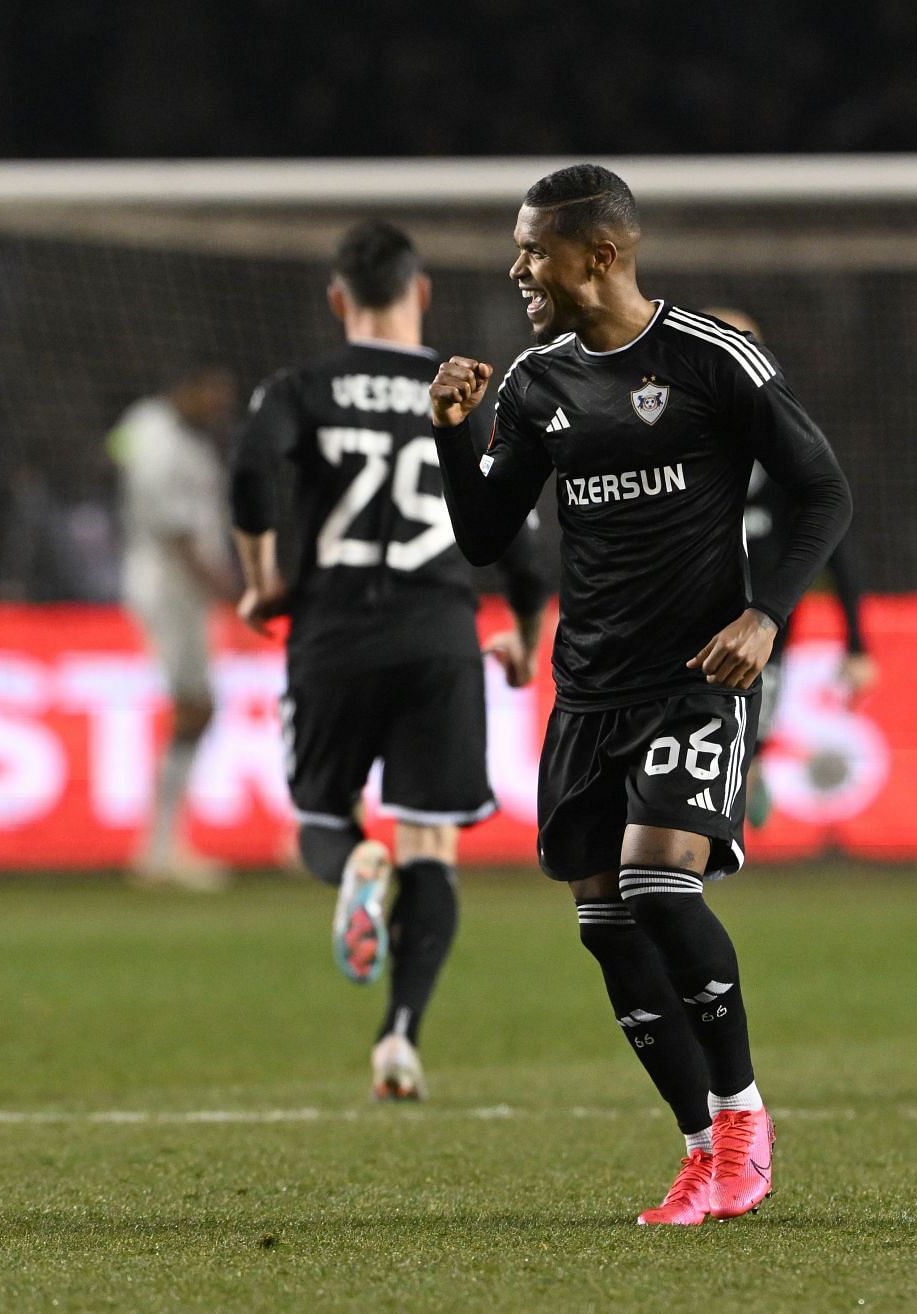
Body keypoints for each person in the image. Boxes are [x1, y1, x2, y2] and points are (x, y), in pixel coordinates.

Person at [427, 166, 851, 1223]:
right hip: (588, 694)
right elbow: (485, 536)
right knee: (606, 925)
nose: (517, 268)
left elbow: (822, 491)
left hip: (692, 680)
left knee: (661, 885)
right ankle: (701, 1147)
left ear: (600, 256)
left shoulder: (712, 360)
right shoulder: (534, 385)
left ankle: (746, 1118)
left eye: (534, 251)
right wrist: (450, 435)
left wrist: (766, 616)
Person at [230, 220, 549, 1100]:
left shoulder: (301, 386)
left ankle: (354, 867)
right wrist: (524, 629)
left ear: (339, 301)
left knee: (323, 822)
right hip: (437, 634)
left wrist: (261, 580)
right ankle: (400, 1037)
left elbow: (252, 469)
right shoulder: (465, 388)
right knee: (432, 846)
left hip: (332, 631)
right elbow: (521, 532)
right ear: (423, 294)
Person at [702, 308, 876, 827]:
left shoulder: (786, 432)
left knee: (746, 736)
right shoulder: (662, 423)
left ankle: (740, 791)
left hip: (762, 617)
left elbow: (833, 531)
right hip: (684, 608)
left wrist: (858, 643)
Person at [110, 365, 239, 890]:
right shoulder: (165, 443)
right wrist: (230, 590)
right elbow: (179, 533)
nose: (221, 407)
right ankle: (160, 849)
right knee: (195, 707)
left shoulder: (148, 428)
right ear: (188, 386)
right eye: (215, 394)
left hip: (171, 586)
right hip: (169, 589)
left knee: (196, 708)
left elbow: (114, 450)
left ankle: (161, 845)